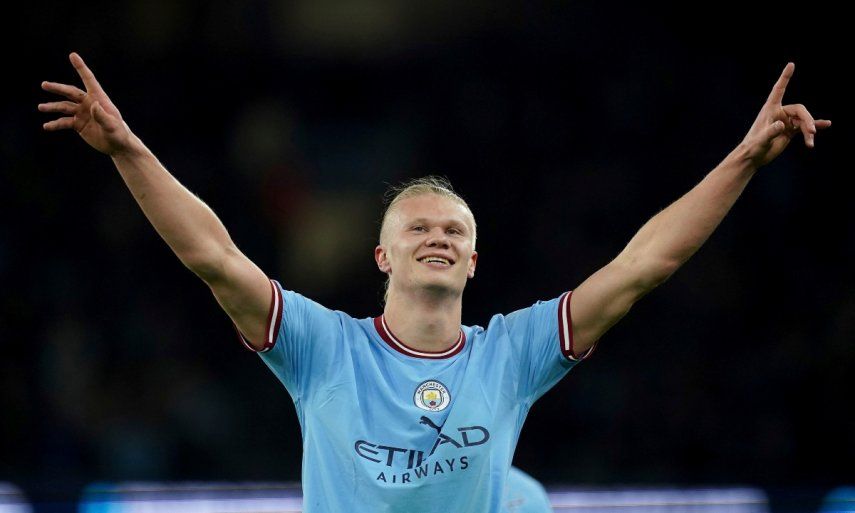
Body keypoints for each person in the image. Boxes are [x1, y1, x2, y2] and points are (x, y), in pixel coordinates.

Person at [39, 53, 829, 513]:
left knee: (521, 498)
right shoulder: (321, 346)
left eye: (454, 229)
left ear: (474, 260)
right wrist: (126, 149)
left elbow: (642, 264)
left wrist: (742, 161)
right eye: (416, 226)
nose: (437, 236)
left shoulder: (514, 351)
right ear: (382, 257)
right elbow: (214, 255)